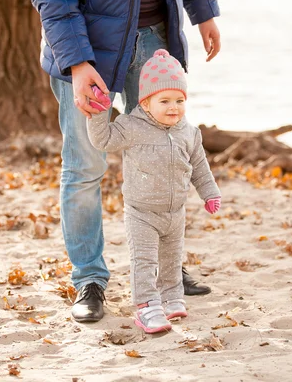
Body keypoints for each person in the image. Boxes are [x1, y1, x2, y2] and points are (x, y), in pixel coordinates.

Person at [28, 0, 221, 322]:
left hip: (155, 39)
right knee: (84, 166)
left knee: (163, 154)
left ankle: (167, 273)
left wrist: (203, 12)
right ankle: (88, 279)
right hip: (87, 45)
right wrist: (76, 61)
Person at [87, 49, 221, 333]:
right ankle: (147, 305)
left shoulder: (188, 132)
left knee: (172, 258)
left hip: (175, 212)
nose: (174, 107)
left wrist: (210, 193)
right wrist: (99, 113)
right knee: (145, 261)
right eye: (165, 101)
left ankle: (172, 297)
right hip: (142, 212)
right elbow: (102, 140)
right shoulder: (132, 126)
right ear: (146, 103)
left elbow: (199, 165)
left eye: (179, 100)